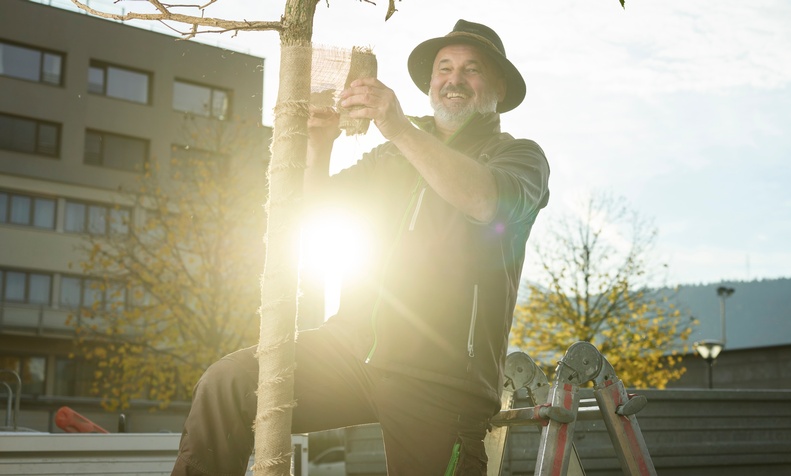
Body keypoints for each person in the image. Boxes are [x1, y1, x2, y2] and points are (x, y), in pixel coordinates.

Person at [172, 19, 549, 475]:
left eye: (471, 69)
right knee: (228, 384)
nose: (453, 79)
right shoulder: (391, 156)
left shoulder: (519, 157)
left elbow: (485, 200)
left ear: (498, 87)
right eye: (444, 68)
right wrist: (320, 143)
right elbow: (315, 213)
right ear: (430, 83)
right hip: (349, 349)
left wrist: (400, 128)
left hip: (441, 376)